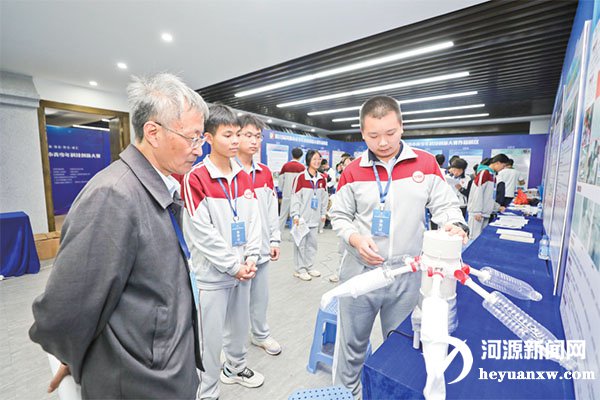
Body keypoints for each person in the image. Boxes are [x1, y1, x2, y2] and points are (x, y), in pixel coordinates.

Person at [29, 73, 207, 399]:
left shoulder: (159, 185)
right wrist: (76, 355)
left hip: (164, 363)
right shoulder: (114, 195)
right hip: (139, 379)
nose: (199, 149)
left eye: (200, 138)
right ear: (153, 132)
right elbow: (66, 307)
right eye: (192, 138)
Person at [329, 95, 467, 399]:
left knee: (399, 346)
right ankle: (345, 393)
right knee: (351, 347)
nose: (383, 142)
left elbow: (445, 207)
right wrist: (355, 238)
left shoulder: (426, 164)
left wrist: (454, 224)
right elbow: (339, 215)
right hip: (360, 273)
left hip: (407, 275)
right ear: (362, 133)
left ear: (402, 127)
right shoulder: (352, 170)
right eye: (373, 135)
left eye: (390, 133)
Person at [181, 104, 263, 400]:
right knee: (210, 339)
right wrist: (233, 265)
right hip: (213, 276)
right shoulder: (195, 178)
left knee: (239, 329)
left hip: (243, 270)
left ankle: (236, 368)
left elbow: (254, 221)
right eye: (228, 135)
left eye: (237, 134)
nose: (235, 141)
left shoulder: (243, 175)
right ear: (208, 138)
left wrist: (251, 257)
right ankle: (207, 391)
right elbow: (201, 233)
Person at [236, 115, 282, 356]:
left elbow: (271, 209)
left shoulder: (264, 172)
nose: (254, 141)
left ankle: (260, 335)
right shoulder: (226, 171)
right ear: (235, 136)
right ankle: (231, 343)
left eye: (258, 136)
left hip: (262, 247)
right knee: (233, 302)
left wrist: (275, 239)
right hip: (235, 253)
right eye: (248, 135)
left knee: (260, 298)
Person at [290, 149, 329, 281]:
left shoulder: (322, 179)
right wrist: (295, 215)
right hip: (301, 218)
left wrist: (323, 213)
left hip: (315, 218)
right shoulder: (300, 177)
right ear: (308, 161)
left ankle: (309, 266)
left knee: (312, 244)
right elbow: (295, 197)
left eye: (319, 159)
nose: (317, 161)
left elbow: (324, 198)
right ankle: (300, 269)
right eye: (314, 159)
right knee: (300, 244)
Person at [467, 154, 510, 240]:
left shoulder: (492, 175)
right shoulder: (484, 173)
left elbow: (489, 196)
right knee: (474, 238)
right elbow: (478, 192)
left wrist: (497, 207)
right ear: (497, 163)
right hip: (478, 213)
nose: (503, 168)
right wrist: (477, 211)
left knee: (481, 238)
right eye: (503, 166)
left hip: (485, 212)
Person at [278, 147, 306, 233]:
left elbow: (281, 180)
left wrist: (282, 189)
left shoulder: (285, 166)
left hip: (286, 194)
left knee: (282, 215)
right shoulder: (302, 168)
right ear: (301, 156)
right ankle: (294, 235)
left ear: (291, 154)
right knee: (296, 215)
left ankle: (278, 234)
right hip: (297, 196)